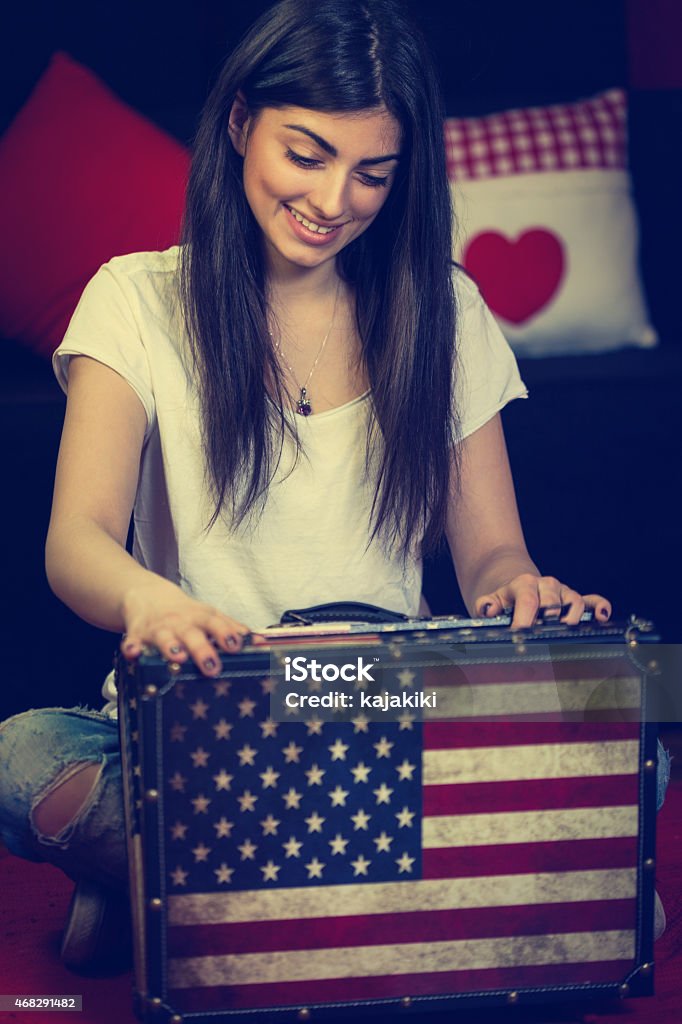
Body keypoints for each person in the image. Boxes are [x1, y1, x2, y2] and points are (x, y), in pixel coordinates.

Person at [0, 0, 665, 974]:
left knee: (632, 739)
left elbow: (492, 553)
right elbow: (79, 539)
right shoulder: (134, 299)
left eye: (371, 172)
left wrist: (521, 588)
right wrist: (150, 597)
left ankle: (175, 895)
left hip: (381, 707)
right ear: (240, 125)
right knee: (24, 759)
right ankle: (392, 898)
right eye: (305, 154)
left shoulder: (444, 307)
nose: (334, 198)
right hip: (200, 722)